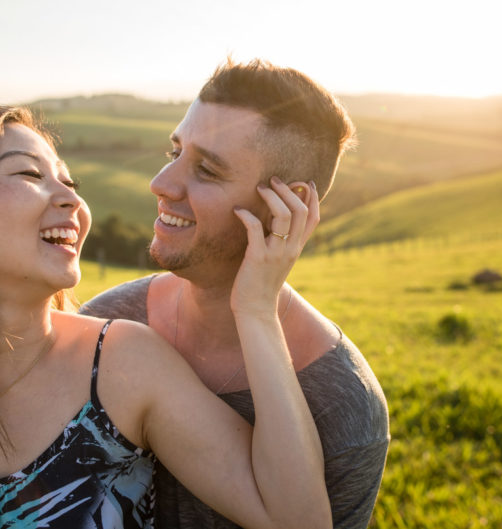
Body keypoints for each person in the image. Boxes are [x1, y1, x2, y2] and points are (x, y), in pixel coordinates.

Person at [0, 106, 332, 528]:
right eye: (29, 174)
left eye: (70, 180)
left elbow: (297, 519)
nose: (73, 200)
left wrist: (256, 308)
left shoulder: (120, 365)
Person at [81, 59, 390, 528]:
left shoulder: (342, 402)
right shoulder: (104, 322)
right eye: (174, 152)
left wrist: (254, 309)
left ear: (284, 207)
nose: (160, 185)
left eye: (206, 169)